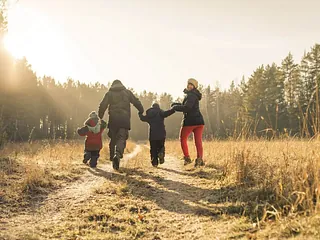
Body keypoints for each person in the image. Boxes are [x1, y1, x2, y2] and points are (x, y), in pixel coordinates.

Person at [98, 80, 144, 170]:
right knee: (121, 138)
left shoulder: (109, 93)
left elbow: (103, 105)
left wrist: (100, 116)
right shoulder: (127, 93)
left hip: (113, 120)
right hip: (124, 119)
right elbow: (136, 101)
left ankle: (112, 157)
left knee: (113, 138)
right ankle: (117, 154)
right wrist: (141, 110)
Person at [172, 78, 205, 167]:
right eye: (189, 84)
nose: (190, 86)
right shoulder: (195, 95)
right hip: (199, 122)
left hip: (190, 121)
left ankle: (187, 158)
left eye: (192, 85)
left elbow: (187, 108)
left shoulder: (191, 95)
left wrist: (175, 107)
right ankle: (199, 159)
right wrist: (177, 105)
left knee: (182, 139)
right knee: (198, 141)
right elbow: (187, 105)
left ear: (194, 87)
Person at [139, 103, 175, 167]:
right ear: (158, 107)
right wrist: (173, 109)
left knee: (153, 149)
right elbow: (167, 113)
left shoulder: (149, 115)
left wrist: (140, 113)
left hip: (153, 135)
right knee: (161, 146)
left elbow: (142, 118)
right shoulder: (160, 112)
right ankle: (161, 153)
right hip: (161, 134)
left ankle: (154, 163)